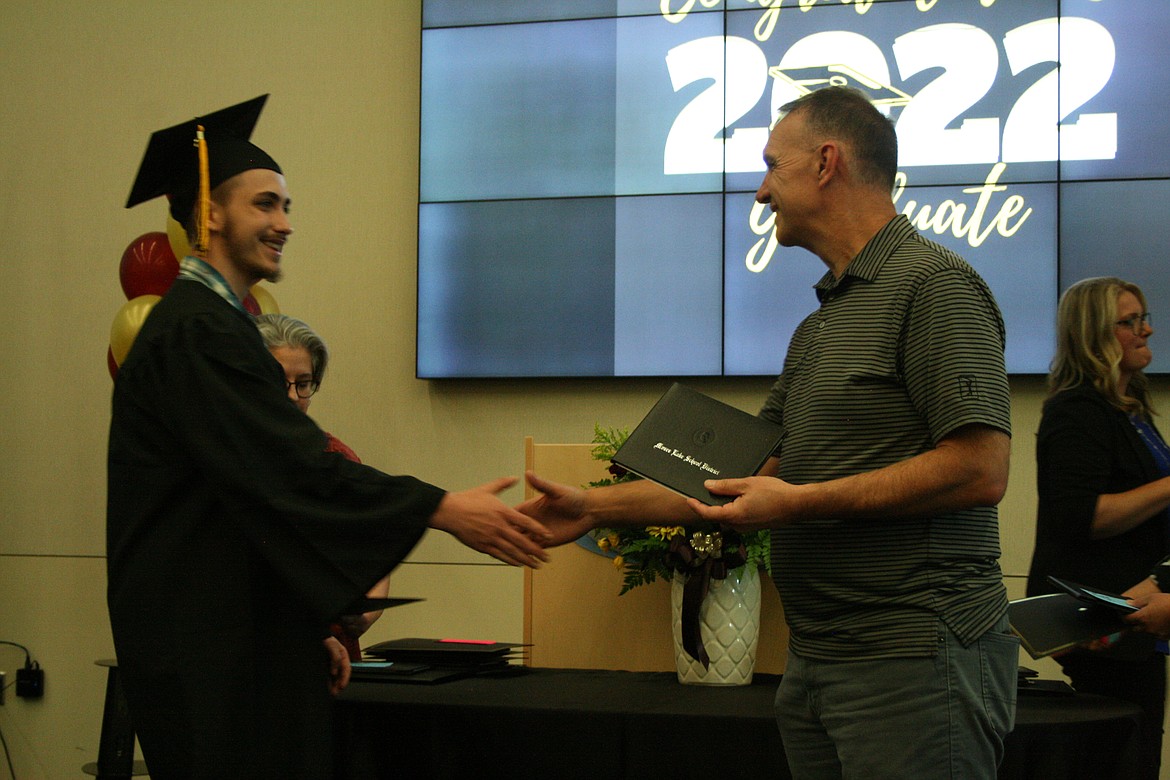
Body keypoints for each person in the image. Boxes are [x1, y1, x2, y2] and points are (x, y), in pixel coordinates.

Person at [521, 86, 1016, 779]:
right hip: (818, 661)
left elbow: (980, 469)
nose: (759, 192)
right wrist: (592, 507)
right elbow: (735, 478)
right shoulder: (818, 328)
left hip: (913, 657)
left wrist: (800, 504)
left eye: (771, 167)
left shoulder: (936, 287)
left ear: (825, 163)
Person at [109, 95, 551, 779]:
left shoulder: (211, 327)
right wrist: (440, 507)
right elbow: (289, 474)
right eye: (264, 204)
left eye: (287, 206)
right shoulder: (197, 331)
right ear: (210, 213)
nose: (284, 223)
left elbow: (245, 501)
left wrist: (303, 622)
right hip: (207, 651)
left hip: (234, 639)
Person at [1025, 276, 1170, 779]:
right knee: (1122, 757)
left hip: (1138, 616)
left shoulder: (1129, 409)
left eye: (1143, 317)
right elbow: (1080, 519)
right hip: (1101, 623)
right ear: (1092, 334)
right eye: (1128, 322)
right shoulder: (1077, 411)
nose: (1146, 330)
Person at [255, 311, 388, 671]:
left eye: (304, 383)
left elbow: (373, 548)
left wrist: (369, 609)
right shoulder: (227, 457)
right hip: (251, 652)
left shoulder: (336, 458)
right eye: (279, 381)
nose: (294, 396)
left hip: (332, 659)